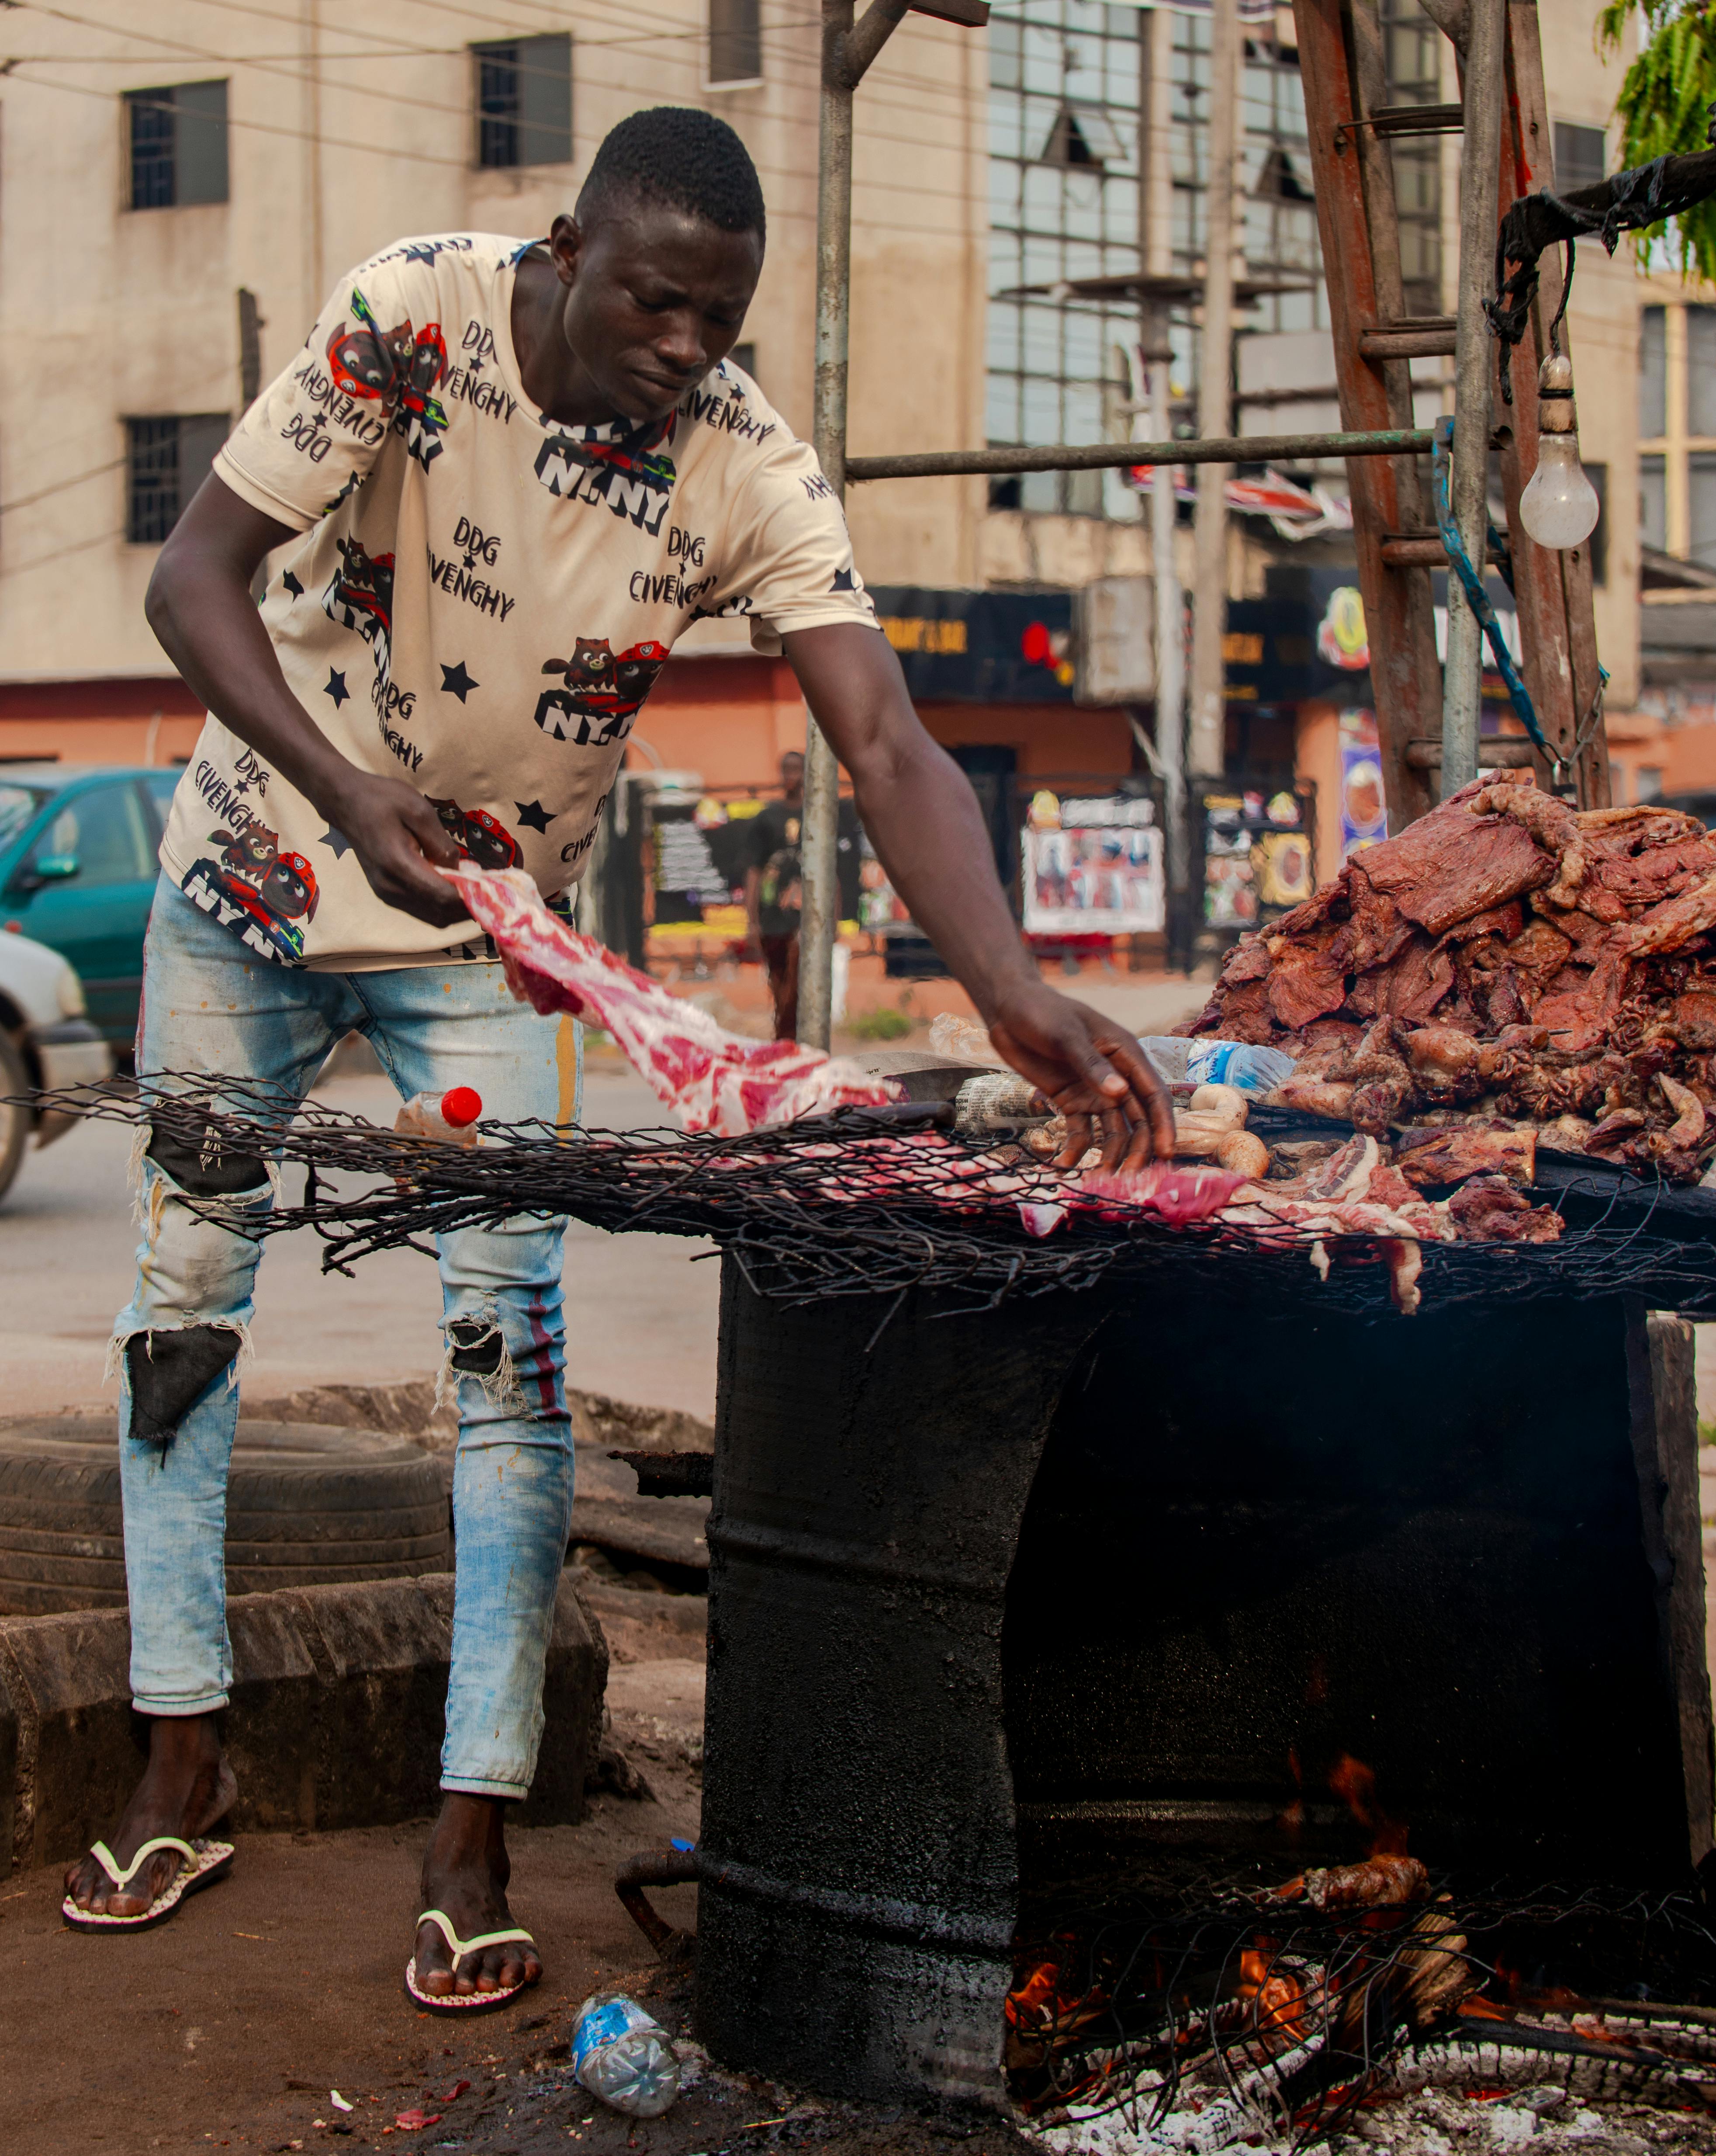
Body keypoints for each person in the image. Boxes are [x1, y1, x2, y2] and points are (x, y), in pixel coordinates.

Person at [62, 106, 1174, 2003]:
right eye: (655, 301)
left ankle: (471, 1820)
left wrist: (1005, 983)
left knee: (512, 1365)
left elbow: (888, 736)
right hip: (245, 892)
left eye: (716, 318)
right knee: (182, 1312)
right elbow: (191, 580)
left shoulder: (744, 467)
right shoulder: (409, 316)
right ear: (571, 248)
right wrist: (351, 795)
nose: (681, 347)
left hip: (490, 946)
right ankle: (179, 1750)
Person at [744, 749, 805, 1039]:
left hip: (806, 914)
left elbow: (832, 868)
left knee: (798, 968)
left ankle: (788, 1033)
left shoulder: (818, 816)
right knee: (778, 978)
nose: (791, 776)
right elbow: (754, 871)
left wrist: (834, 915)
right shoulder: (767, 818)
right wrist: (752, 920)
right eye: (787, 770)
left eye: (797, 769)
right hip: (772, 914)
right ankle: (784, 1035)